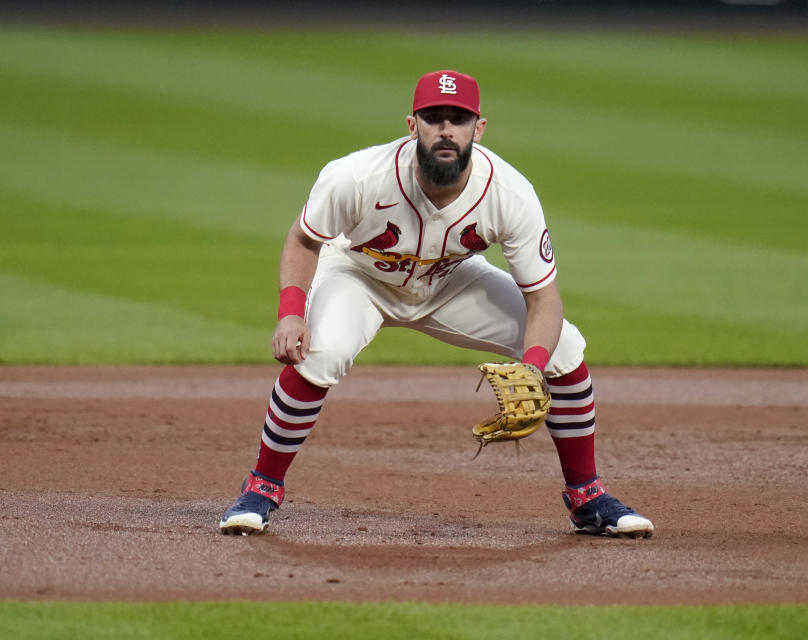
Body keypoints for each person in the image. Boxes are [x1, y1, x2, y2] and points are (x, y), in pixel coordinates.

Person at [219, 70, 654, 539]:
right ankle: (261, 488)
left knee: (563, 350)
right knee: (322, 353)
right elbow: (305, 241)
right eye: (434, 118)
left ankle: (587, 499)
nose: (446, 129)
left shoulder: (508, 193)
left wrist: (532, 365)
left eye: (458, 119)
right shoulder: (358, 176)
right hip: (357, 275)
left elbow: (543, 296)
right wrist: (291, 311)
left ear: (478, 128)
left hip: (448, 280)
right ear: (413, 126)